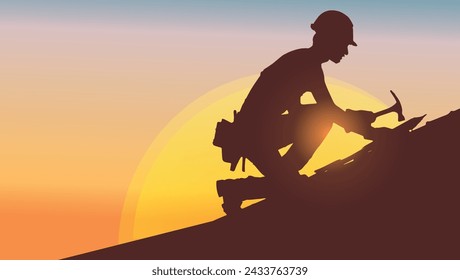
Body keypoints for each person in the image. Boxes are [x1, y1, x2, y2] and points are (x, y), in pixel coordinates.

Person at [214, 10, 382, 214]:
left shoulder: (304, 61)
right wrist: (367, 130)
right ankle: (259, 185)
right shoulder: (306, 65)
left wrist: (353, 119)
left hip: (263, 132)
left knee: (319, 121)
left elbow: (323, 110)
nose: (346, 51)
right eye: (344, 44)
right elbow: (329, 111)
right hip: (255, 136)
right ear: (331, 39)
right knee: (298, 186)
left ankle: (267, 182)